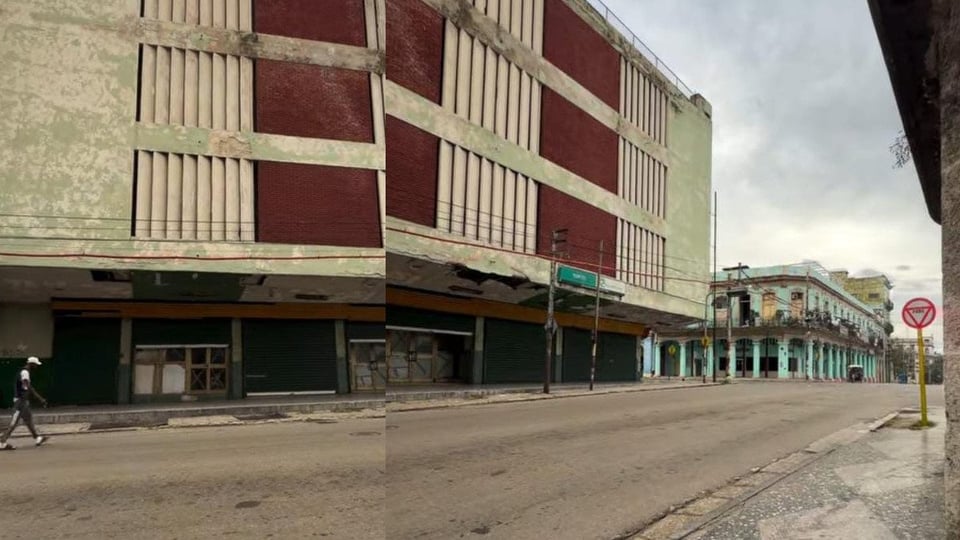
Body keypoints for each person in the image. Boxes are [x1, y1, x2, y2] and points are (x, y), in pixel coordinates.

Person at [0, 356, 48, 450]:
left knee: (29, 420)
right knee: (14, 423)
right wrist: (39, 398)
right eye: (35, 365)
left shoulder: (24, 372)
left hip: (23, 401)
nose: (36, 367)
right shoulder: (25, 372)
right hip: (20, 401)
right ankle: (2, 441)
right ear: (31, 364)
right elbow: (28, 386)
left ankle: (37, 437)